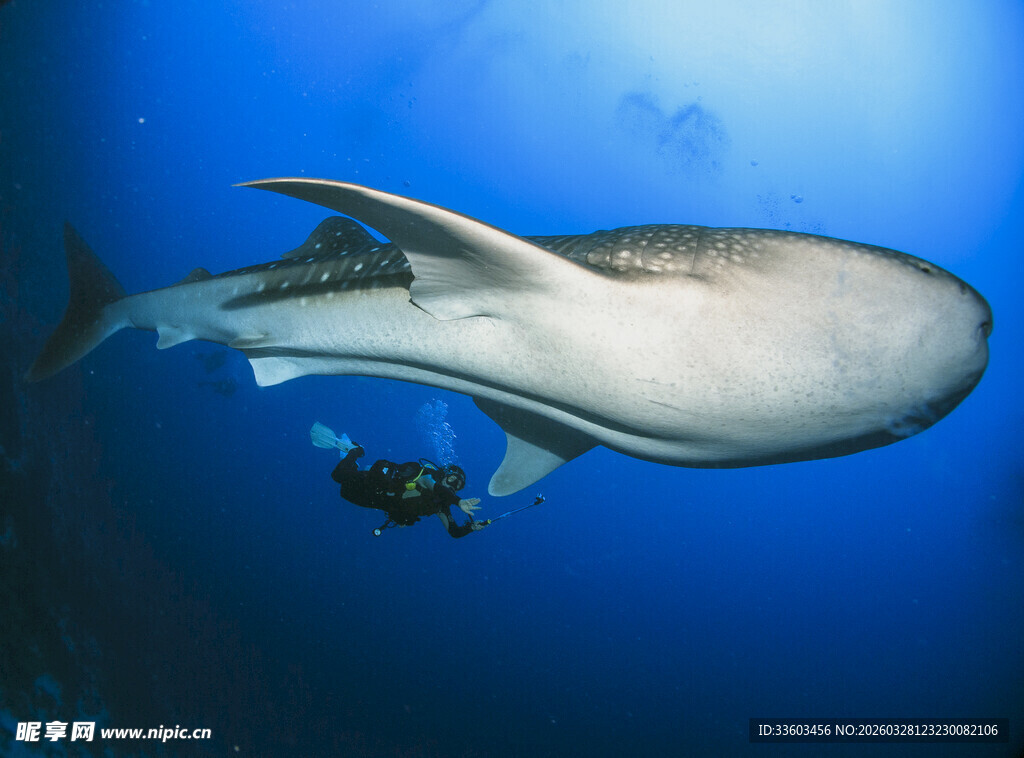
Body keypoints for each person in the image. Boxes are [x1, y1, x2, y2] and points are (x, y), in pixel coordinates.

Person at [330, 442, 487, 538]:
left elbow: (454, 532)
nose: (453, 487)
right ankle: (355, 451)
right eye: (453, 480)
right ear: (445, 475)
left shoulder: (441, 505)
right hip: (373, 484)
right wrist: (458, 501)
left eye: (458, 487)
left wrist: (471, 528)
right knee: (338, 476)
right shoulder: (427, 476)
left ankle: (353, 465)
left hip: (376, 501)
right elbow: (434, 486)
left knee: (344, 493)